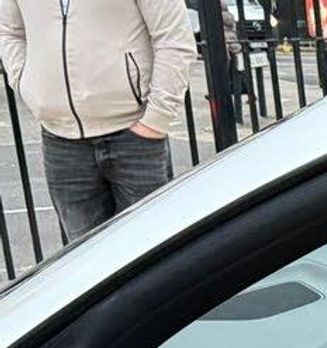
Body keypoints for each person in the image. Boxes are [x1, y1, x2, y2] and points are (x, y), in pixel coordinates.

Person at [0, 0, 197, 240]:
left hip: (135, 135)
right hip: (61, 140)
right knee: (87, 255)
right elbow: (9, 32)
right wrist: (26, 84)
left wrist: (156, 120)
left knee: (150, 247)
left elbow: (174, 39)